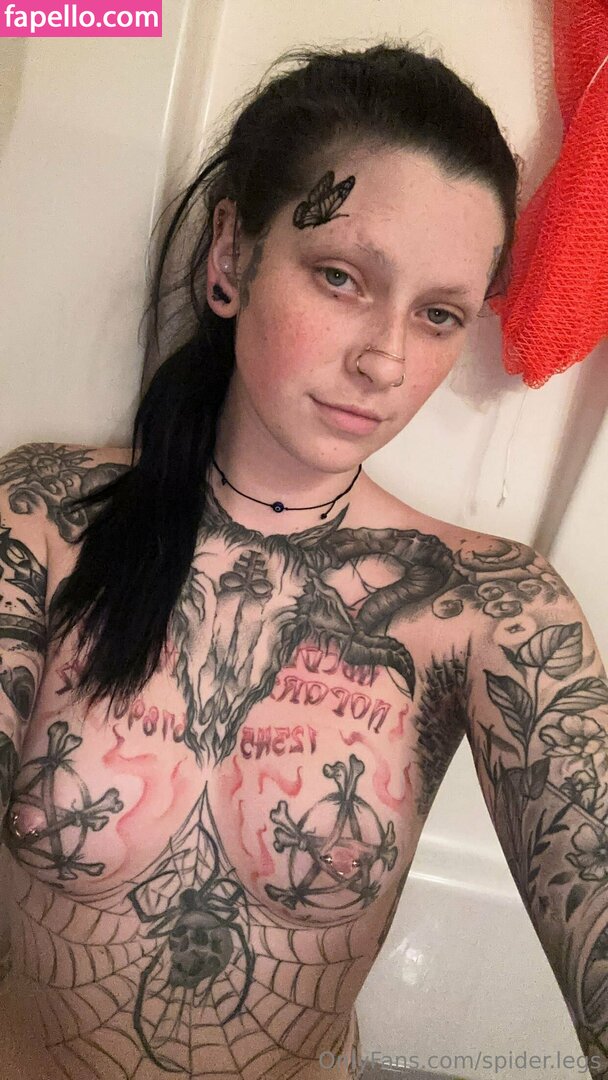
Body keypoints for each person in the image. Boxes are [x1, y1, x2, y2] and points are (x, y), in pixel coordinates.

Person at [1, 39, 606, 1080]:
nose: (385, 359)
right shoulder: (45, 519)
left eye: (438, 315)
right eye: (341, 278)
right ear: (230, 258)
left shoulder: (487, 611)